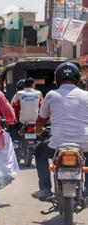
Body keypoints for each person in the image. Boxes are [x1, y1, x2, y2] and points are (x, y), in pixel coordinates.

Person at [32, 62, 88, 200]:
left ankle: (45, 189)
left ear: (57, 79)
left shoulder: (51, 94)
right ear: (77, 78)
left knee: (39, 152)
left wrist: (38, 131)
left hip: (57, 145)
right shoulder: (86, 95)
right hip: (84, 144)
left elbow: (41, 119)